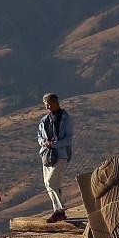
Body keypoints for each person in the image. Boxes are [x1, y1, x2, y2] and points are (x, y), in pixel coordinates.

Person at [36, 93, 73, 223]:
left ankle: (59, 210)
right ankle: (58, 212)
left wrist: (54, 144)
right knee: (55, 183)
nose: (48, 108)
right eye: (46, 105)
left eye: (49, 105)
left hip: (61, 155)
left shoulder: (65, 119)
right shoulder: (44, 120)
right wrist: (45, 143)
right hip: (47, 156)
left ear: (56, 103)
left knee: (50, 182)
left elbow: (68, 139)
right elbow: (40, 137)